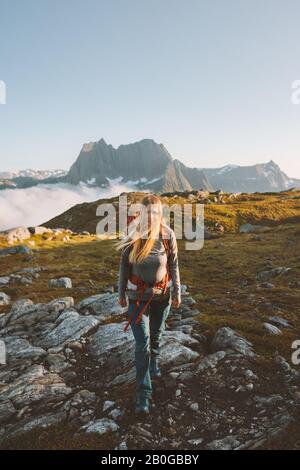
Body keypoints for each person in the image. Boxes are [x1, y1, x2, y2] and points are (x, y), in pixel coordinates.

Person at [115, 194, 181, 415]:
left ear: (159, 213)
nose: (151, 216)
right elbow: (124, 265)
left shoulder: (167, 234)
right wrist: (121, 291)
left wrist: (177, 292)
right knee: (141, 344)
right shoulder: (133, 234)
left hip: (162, 296)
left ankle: (155, 360)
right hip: (136, 299)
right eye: (147, 212)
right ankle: (144, 393)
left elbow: (174, 265)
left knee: (156, 335)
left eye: (155, 212)